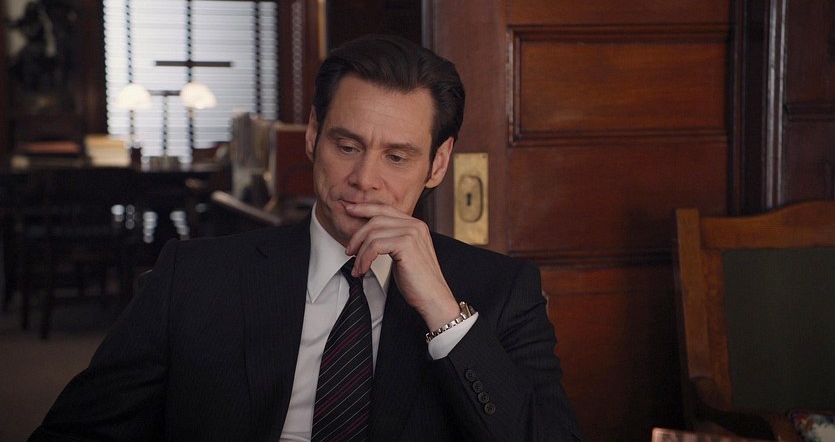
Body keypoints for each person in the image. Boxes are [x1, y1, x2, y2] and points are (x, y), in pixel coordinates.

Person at [29, 34, 582, 441]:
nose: (364, 179)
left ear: (438, 164)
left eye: (397, 156)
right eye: (347, 146)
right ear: (314, 135)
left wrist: (442, 311)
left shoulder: (502, 292)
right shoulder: (192, 277)